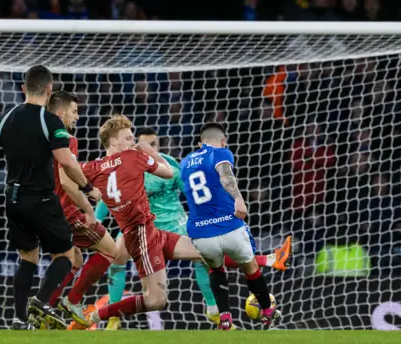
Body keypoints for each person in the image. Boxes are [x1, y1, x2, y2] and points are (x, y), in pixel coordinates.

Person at [78, 115, 289, 328]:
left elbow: (184, 186)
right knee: (142, 283)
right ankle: (106, 315)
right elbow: (107, 193)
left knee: (208, 251)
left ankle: (217, 307)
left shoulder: (139, 162)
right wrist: (94, 217)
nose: (138, 144)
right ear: (115, 141)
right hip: (141, 232)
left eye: (153, 144)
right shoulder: (130, 161)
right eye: (132, 139)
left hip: (169, 226)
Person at [0, 65, 101, 330]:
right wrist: (88, 188)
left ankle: (19, 319)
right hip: (40, 198)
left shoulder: (5, 117)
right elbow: (66, 161)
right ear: (49, 89)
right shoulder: (49, 121)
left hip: (12, 198)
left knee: (28, 256)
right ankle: (41, 301)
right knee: (67, 255)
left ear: (23, 89)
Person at [181, 122, 291, 330]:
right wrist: (238, 198)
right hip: (229, 225)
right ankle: (268, 310)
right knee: (250, 268)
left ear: (199, 143)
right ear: (223, 141)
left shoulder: (186, 162)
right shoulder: (221, 153)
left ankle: (224, 318)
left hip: (201, 232)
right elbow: (225, 174)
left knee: (215, 269)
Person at [44, 91, 117, 327]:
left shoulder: (40, 137)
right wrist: (89, 208)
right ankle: (72, 301)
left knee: (73, 260)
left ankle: (45, 311)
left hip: (44, 210)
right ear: (61, 112)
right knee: (110, 250)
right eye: (74, 111)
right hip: (66, 210)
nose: (77, 117)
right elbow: (67, 182)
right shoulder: (66, 138)